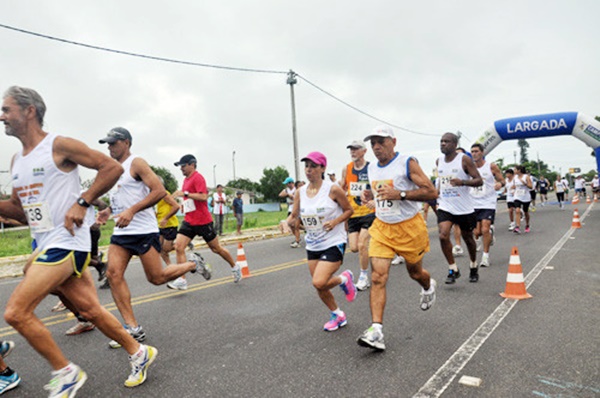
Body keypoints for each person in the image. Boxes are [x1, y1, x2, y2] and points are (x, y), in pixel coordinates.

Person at [0, 86, 157, 395]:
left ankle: (66, 372)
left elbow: (110, 168)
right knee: (90, 310)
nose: (1, 116)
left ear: (29, 111)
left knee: (16, 313)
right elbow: (19, 211)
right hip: (44, 242)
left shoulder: (58, 145)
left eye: (6, 109)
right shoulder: (17, 159)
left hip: (68, 241)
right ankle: (139, 352)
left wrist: (83, 202)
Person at [97, 127, 201, 348]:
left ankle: (193, 263)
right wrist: (108, 210)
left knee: (156, 278)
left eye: (113, 143)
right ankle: (132, 328)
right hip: (122, 231)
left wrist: (132, 211)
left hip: (143, 230)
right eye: (107, 143)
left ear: (126, 142)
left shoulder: (136, 163)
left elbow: (159, 191)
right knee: (113, 274)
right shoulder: (112, 169)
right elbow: (121, 198)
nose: (109, 147)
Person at [356, 126, 438, 351]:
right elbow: (379, 191)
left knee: (415, 273)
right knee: (377, 277)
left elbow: (431, 193)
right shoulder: (372, 168)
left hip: (410, 228)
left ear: (393, 141)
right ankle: (376, 331)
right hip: (382, 228)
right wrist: (369, 195)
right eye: (372, 143)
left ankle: (428, 286)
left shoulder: (407, 163)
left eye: (380, 141)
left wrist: (400, 195)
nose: (376, 147)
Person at [289, 151, 355, 332]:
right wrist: (287, 223)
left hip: (334, 241)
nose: (308, 170)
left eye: (313, 166)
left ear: (322, 168)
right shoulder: (300, 192)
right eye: (307, 166)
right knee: (321, 286)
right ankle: (338, 314)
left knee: (318, 282)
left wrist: (334, 222)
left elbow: (349, 210)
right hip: (312, 243)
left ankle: (344, 279)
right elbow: (294, 216)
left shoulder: (332, 189)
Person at [168, 154, 241, 290]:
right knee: (178, 246)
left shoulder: (198, 178)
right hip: (189, 220)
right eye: (180, 166)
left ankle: (235, 266)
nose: (181, 169)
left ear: (192, 164)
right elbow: (189, 199)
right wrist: (184, 203)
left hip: (203, 221)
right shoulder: (185, 181)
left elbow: (203, 196)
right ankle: (182, 280)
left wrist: (184, 194)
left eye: (183, 166)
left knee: (216, 249)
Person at [436, 132, 483, 284]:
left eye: (447, 141)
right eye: (441, 141)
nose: (443, 144)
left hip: (464, 207)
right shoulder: (439, 161)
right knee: (443, 235)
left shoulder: (464, 160)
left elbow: (479, 180)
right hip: (446, 205)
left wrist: (462, 182)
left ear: (455, 145)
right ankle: (453, 268)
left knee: (468, 238)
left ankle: (473, 265)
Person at [340, 140, 375, 291]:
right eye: (351, 149)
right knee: (354, 247)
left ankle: (363, 277)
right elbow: (342, 187)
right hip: (353, 213)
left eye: (355, 149)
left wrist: (374, 200)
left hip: (368, 212)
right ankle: (372, 247)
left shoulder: (371, 168)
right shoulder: (346, 168)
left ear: (364, 151)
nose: (352, 152)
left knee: (362, 245)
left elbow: (378, 187)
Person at [469, 144, 505, 268]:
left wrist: (500, 184)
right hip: (473, 202)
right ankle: (490, 233)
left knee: (484, 229)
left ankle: (485, 256)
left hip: (488, 202)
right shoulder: (469, 167)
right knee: (477, 232)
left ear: (482, 153)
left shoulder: (491, 166)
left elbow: (502, 180)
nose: (474, 154)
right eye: (472, 151)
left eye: (476, 151)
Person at [156, 178, 181, 266]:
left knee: (166, 249)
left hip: (170, 225)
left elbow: (176, 206)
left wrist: (166, 218)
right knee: (159, 248)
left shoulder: (164, 193)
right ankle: (170, 266)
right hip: (160, 225)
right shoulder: (156, 195)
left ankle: (181, 245)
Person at [279, 177, 301, 248]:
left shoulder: (296, 189)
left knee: (296, 225)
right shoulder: (287, 190)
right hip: (290, 209)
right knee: (291, 225)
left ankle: (297, 239)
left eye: (287, 183)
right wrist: (288, 194)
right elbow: (280, 194)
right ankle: (297, 238)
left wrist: (294, 197)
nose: (286, 185)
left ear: (291, 183)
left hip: (297, 209)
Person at [511, 165, 533, 233]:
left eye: (515, 170)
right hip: (517, 196)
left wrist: (525, 184)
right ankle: (517, 227)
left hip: (525, 196)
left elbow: (531, 186)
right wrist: (512, 188)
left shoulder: (526, 177)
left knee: (526, 211)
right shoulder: (515, 178)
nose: (514, 171)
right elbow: (515, 186)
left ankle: (527, 225)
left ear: (519, 170)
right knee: (517, 210)